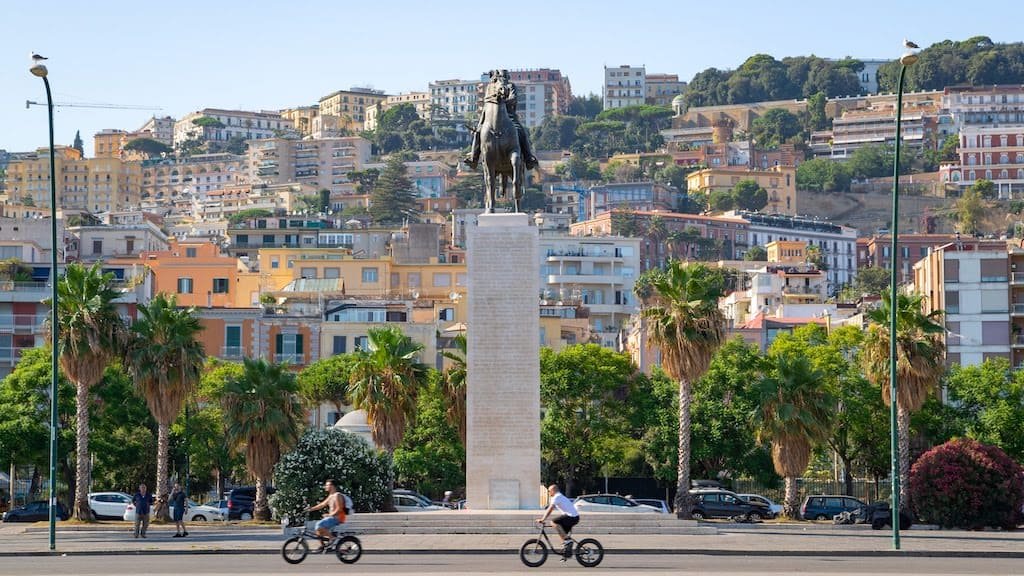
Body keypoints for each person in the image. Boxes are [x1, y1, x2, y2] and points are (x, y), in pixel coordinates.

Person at [464, 69, 539, 171]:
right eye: (498, 77)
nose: (500, 79)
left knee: (521, 132)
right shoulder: (490, 88)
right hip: (489, 116)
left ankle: (528, 157)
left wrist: (501, 103)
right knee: (478, 132)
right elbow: (486, 102)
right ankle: (474, 158)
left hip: (509, 116)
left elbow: (513, 99)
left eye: (503, 77)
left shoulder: (511, 86)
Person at [537, 484, 579, 559]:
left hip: (571, 517)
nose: (549, 493)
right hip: (573, 517)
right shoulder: (559, 496)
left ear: (553, 490)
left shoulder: (557, 496)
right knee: (563, 534)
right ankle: (567, 553)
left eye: (549, 491)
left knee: (553, 522)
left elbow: (550, 509)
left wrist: (543, 519)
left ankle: (568, 542)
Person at [306, 479, 347, 545]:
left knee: (318, 525)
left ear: (332, 486)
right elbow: (322, 504)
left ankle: (332, 538)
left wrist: (329, 515)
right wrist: (311, 509)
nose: (325, 487)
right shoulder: (331, 496)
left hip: (337, 518)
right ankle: (323, 546)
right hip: (333, 517)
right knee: (318, 531)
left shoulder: (337, 495)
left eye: (327, 485)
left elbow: (339, 509)